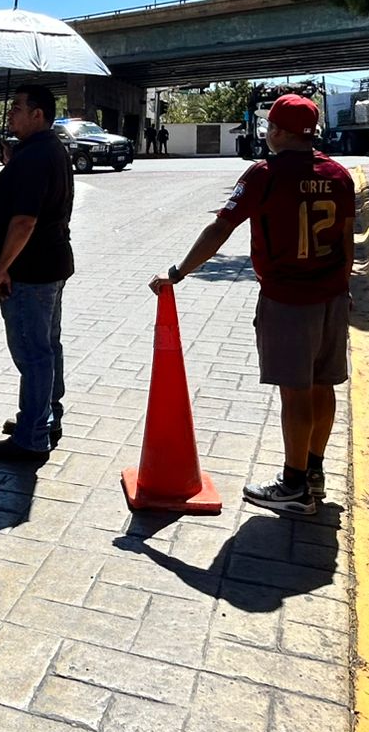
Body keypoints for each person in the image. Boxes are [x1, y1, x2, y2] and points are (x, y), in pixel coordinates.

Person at [150, 94, 353, 516]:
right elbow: (348, 238)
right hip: (332, 294)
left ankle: (294, 485)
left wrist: (179, 271)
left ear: (278, 130)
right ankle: (314, 471)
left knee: (295, 391)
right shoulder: (339, 174)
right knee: (323, 383)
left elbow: (220, 228)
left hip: (288, 298)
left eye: (269, 128)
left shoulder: (265, 174)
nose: (266, 135)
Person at [0, 84, 73, 463]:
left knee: (33, 353)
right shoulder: (44, 150)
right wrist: (5, 175)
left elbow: (24, 221)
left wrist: (1, 268)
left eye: (17, 108)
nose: (10, 115)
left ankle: (32, 435)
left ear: (38, 114)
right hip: (49, 265)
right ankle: (44, 417)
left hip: (30, 272)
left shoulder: (36, 157)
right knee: (47, 347)